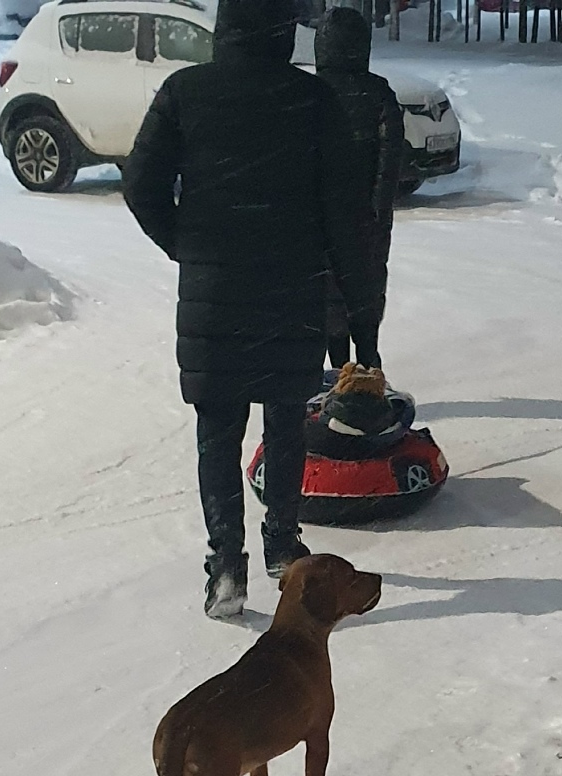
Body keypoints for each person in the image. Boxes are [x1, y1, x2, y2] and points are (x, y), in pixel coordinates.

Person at [122, 0, 377, 617]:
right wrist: (363, 316)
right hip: (292, 285)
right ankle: (283, 548)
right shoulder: (314, 102)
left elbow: (140, 184)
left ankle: (225, 569)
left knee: (218, 427)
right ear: (282, 28)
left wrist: (188, 244)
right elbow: (347, 214)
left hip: (217, 292)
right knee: (286, 420)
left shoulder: (186, 91)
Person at [314, 6, 404, 373]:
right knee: (365, 299)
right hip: (366, 220)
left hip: (321, 220)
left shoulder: (310, 94)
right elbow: (390, 160)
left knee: (329, 301)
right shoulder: (379, 93)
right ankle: (369, 371)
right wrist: (378, 211)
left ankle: (339, 375)